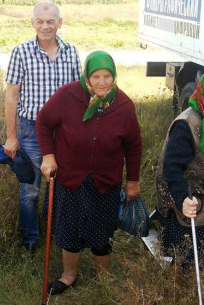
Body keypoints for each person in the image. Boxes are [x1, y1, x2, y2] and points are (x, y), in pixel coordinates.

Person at [36, 50, 142, 295]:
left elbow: (134, 146)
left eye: (107, 76)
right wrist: (48, 155)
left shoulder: (124, 105)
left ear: (114, 77)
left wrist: (133, 180)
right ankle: (69, 275)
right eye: (96, 76)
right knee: (70, 230)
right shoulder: (67, 95)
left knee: (102, 231)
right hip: (71, 177)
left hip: (105, 181)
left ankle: (103, 279)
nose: (102, 82)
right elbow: (43, 121)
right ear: (86, 76)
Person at [4, 1, 81, 254]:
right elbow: (11, 96)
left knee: (62, 183)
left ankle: (58, 232)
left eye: (50, 21)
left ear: (60, 22)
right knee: (31, 188)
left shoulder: (71, 52)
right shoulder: (21, 52)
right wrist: (11, 136)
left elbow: (78, 95)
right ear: (32, 23)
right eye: (40, 21)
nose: (45, 26)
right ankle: (31, 239)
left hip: (64, 130)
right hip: (31, 130)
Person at [156, 70, 204, 267]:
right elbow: (171, 170)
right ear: (201, 94)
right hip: (181, 193)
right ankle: (188, 280)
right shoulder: (185, 124)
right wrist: (183, 200)